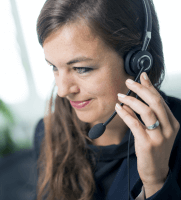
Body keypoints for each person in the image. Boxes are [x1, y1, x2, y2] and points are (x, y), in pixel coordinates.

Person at [33, 0, 181, 200]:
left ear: (138, 63)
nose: (62, 90)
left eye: (81, 68)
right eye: (54, 67)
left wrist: (155, 183)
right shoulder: (48, 131)